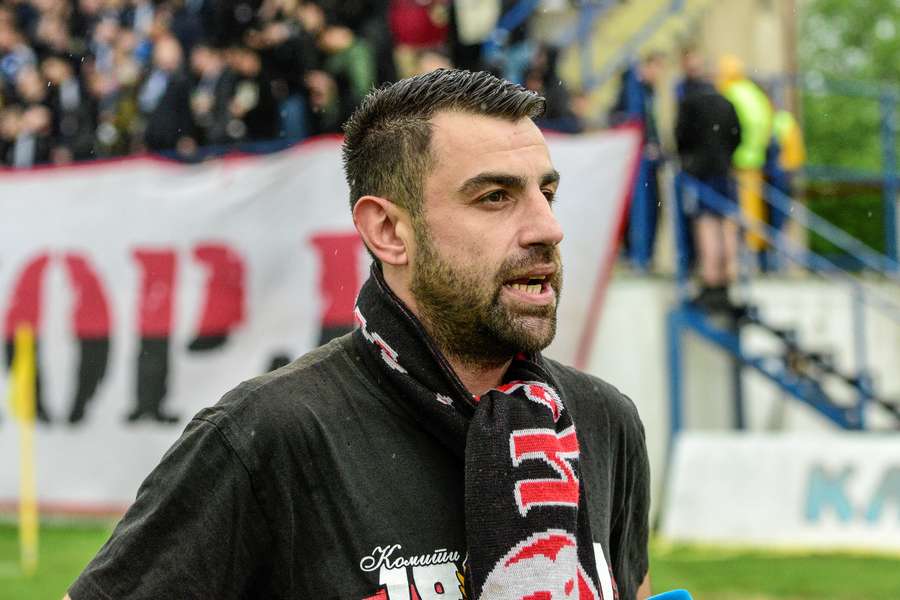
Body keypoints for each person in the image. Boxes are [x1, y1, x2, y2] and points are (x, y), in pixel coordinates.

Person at [65, 69, 651, 600]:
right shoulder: (268, 436)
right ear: (389, 230)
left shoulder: (603, 421)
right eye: (495, 197)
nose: (548, 228)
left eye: (545, 193)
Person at [675, 48, 742, 310]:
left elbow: (681, 138)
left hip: (699, 172)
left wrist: (690, 158)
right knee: (726, 221)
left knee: (706, 224)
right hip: (724, 170)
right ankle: (729, 276)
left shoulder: (689, 102)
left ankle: (711, 279)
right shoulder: (726, 102)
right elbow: (738, 136)